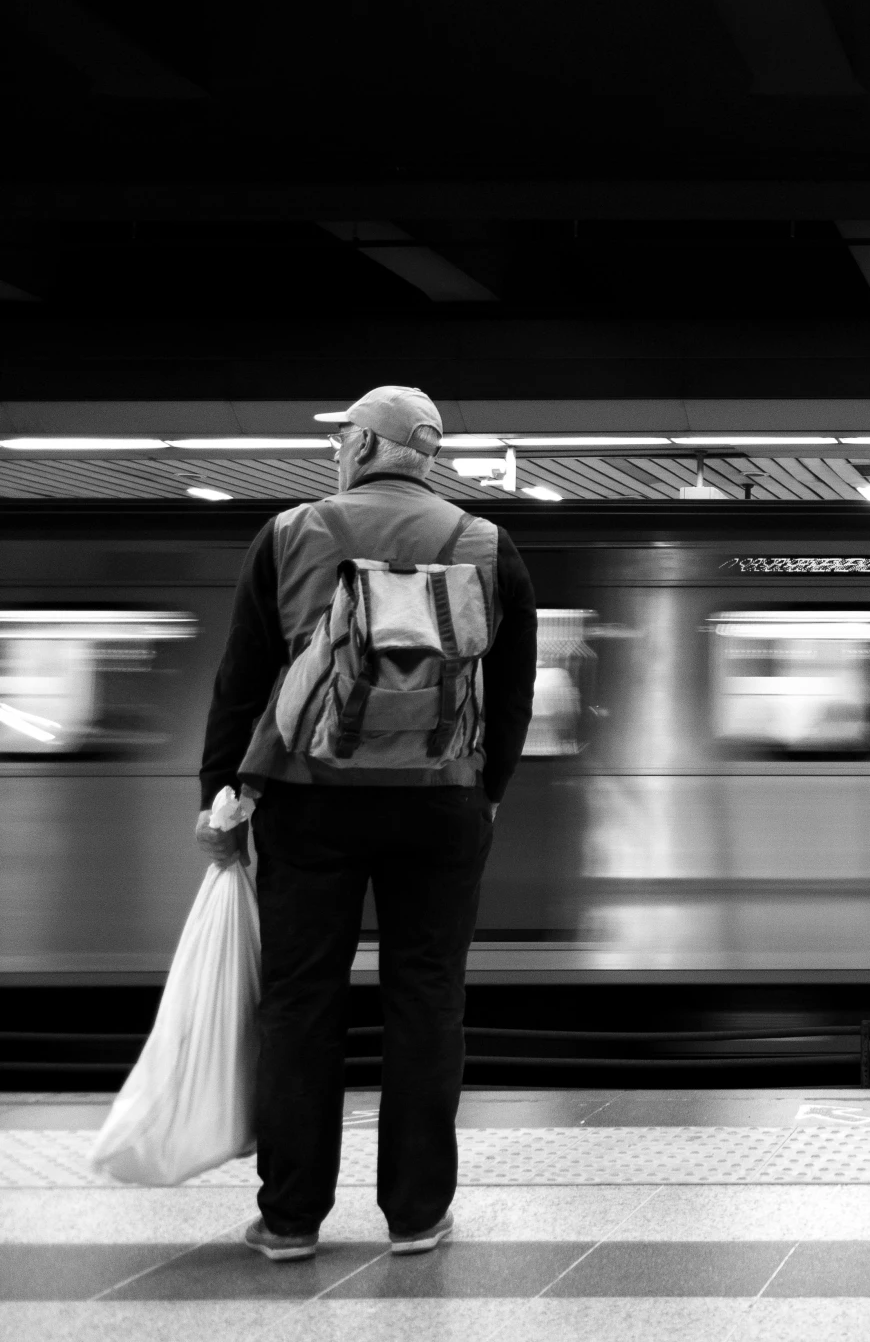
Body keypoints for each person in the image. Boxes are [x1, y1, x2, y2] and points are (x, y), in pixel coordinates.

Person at [196, 385, 536, 1262]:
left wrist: (224, 792)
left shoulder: (290, 533)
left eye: (343, 435)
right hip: (442, 801)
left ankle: (292, 1218)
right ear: (427, 456)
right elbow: (514, 691)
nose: (336, 448)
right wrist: (485, 788)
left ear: (366, 446)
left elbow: (243, 678)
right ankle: (417, 1214)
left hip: (309, 799)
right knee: (426, 998)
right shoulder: (487, 545)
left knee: (301, 1001)